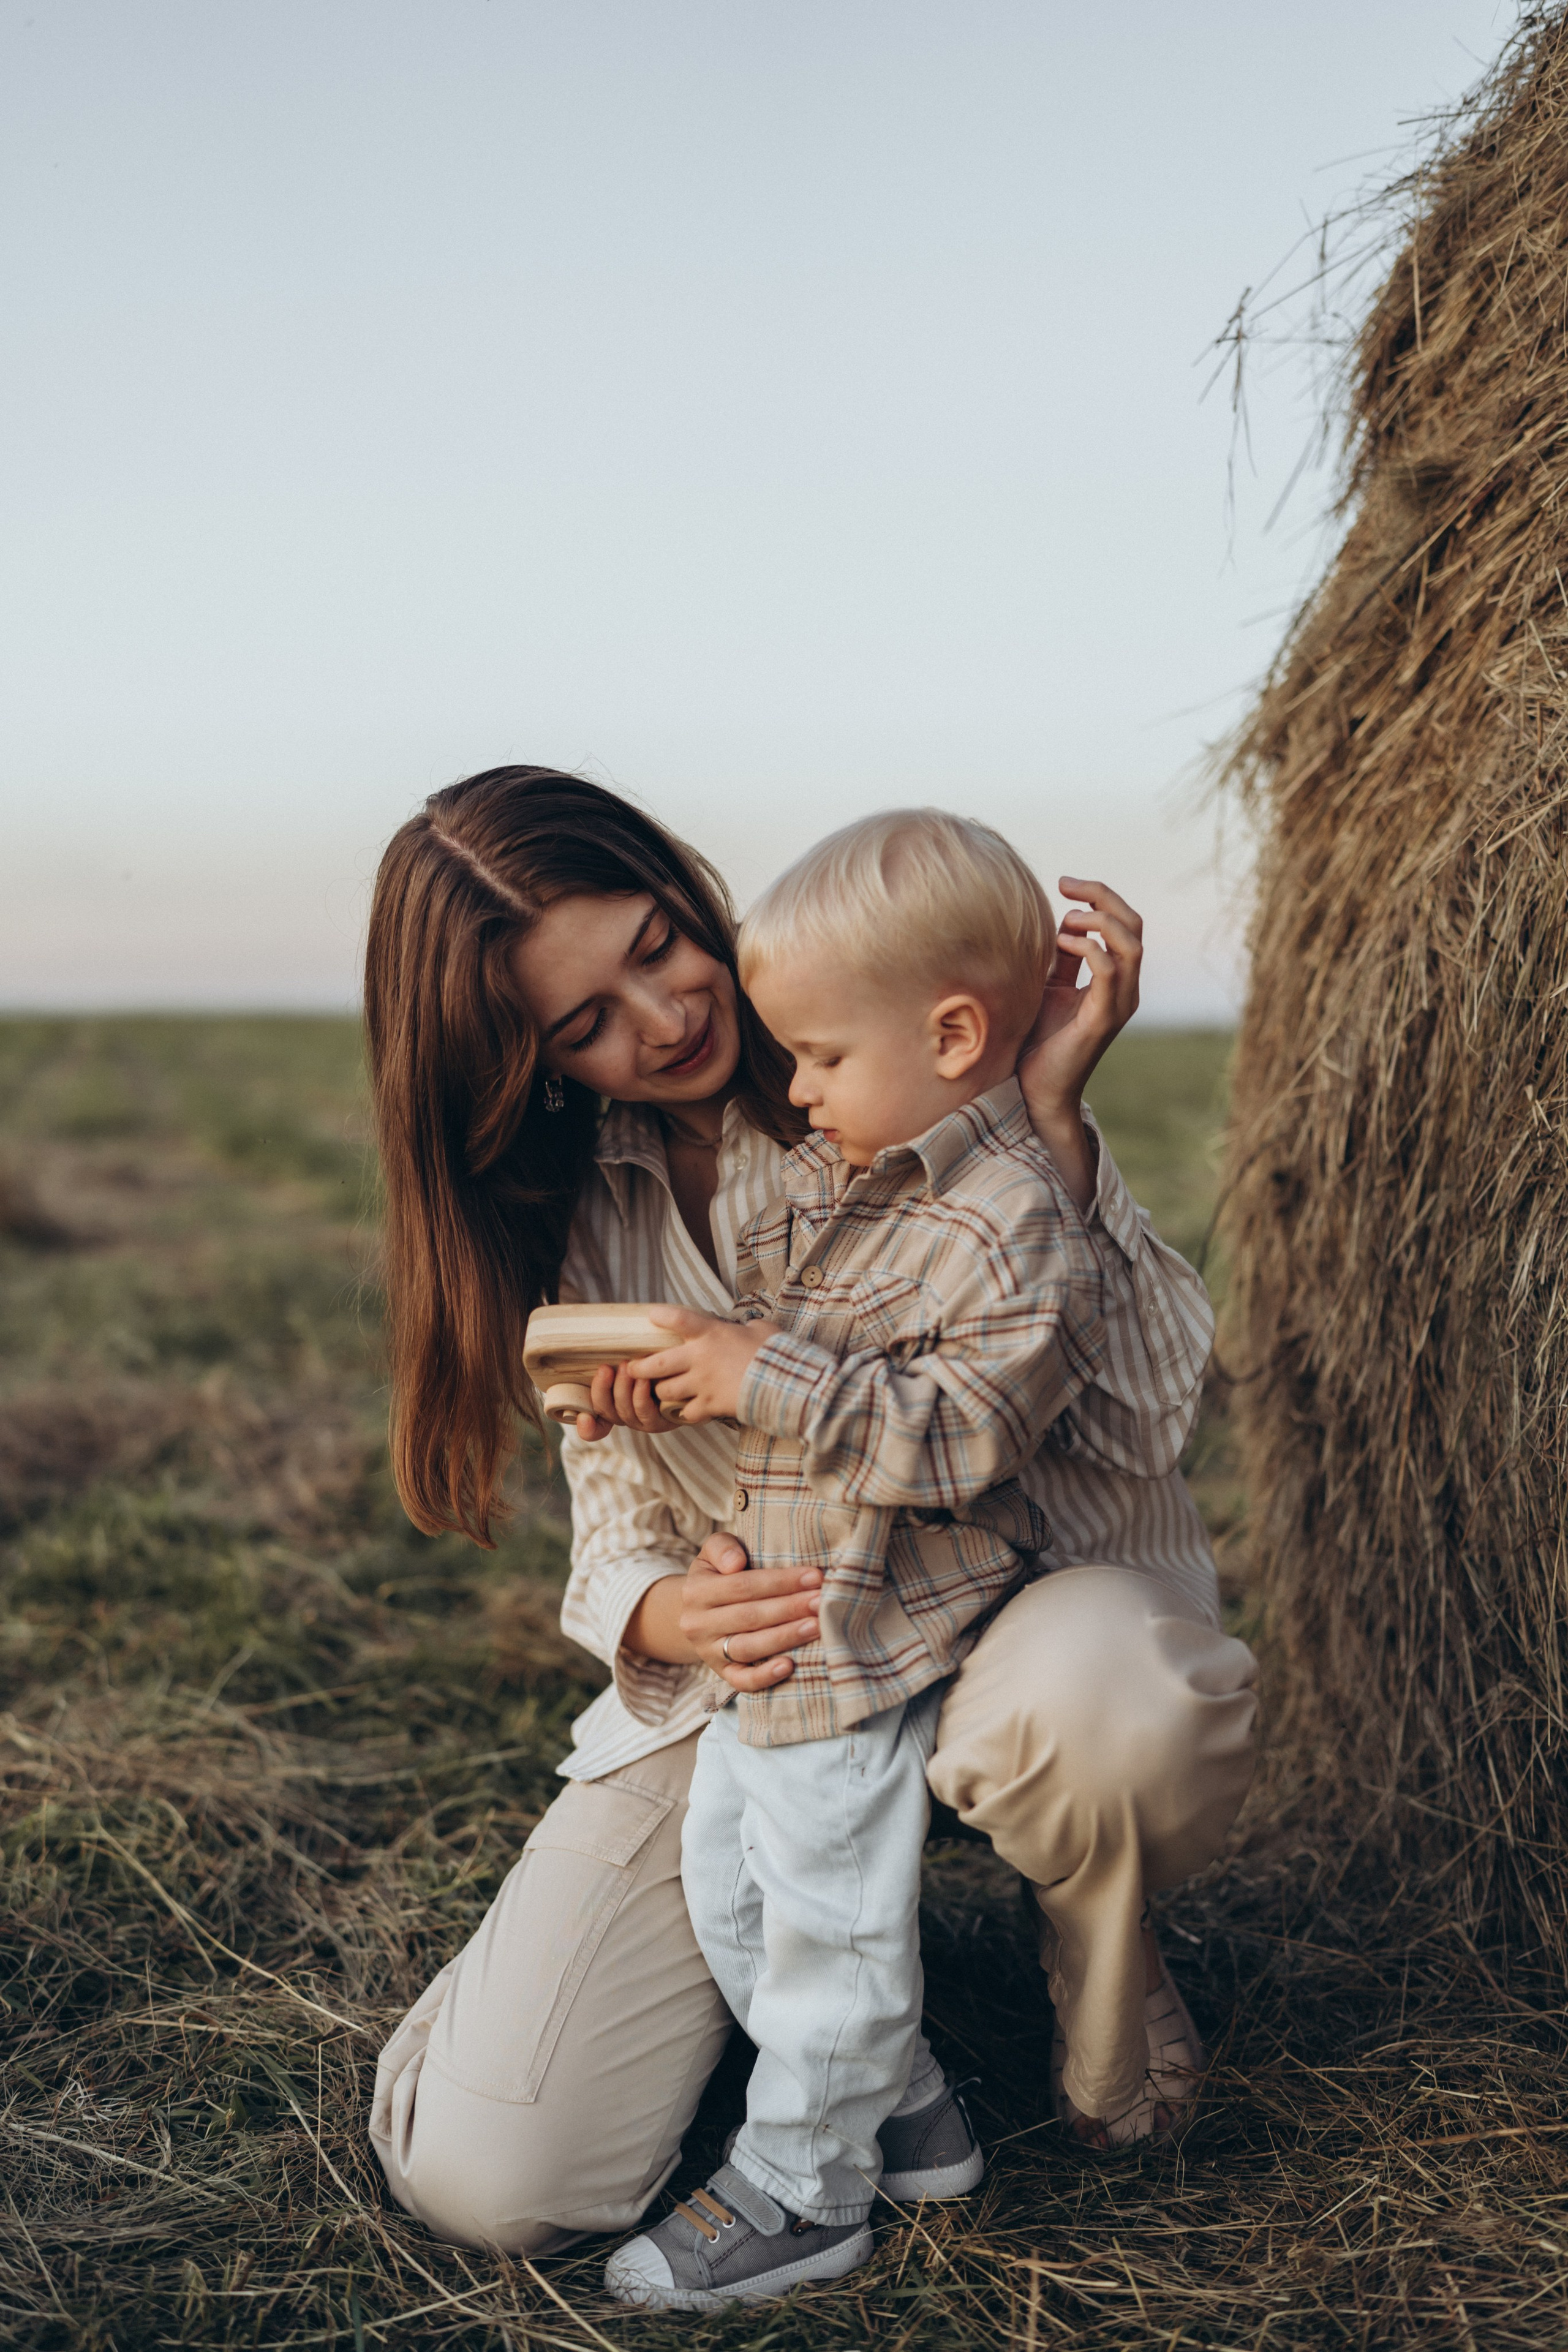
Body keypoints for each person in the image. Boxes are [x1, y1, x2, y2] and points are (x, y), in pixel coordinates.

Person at [363, 766, 1258, 2256]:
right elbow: (611, 1515)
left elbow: (1145, 1408)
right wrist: (652, 1606)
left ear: (684, 887)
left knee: (1113, 1704)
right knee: (488, 2180)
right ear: (522, 1061)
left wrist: (1041, 1124)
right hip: (765, 1661)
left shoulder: (889, 1045)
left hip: (997, 1609)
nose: (658, 1020)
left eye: (654, 945)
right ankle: (861, 2051)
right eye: (581, 1021)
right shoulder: (581, 1208)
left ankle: (1088, 1943)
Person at [600, 809, 1117, 2310]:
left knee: (825, 1918)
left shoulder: (1011, 1219)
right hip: (790, 1610)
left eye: (817, 1057)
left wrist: (760, 1372)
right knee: (731, 1891)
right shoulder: (860, 1180)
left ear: (954, 1031)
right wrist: (687, 1402)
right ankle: (908, 2112)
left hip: (874, 1633)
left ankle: (804, 2191)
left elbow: (965, 1439)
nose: (797, 1087)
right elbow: (786, 1384)